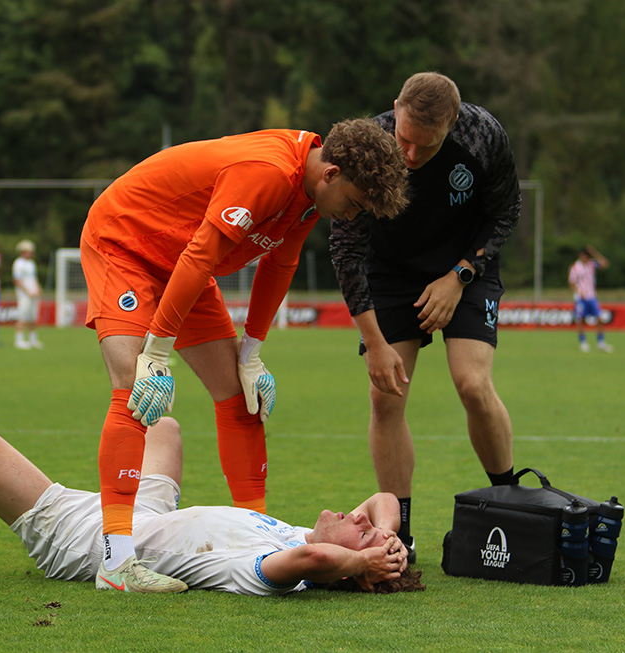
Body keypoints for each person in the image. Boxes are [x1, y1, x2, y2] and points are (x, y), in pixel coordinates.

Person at [80, 118, 410, 591]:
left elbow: (280, 264)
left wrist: (251, 351)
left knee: (240, 395)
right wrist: (156, 350)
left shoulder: (309, 194)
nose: (353, 216)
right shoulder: (269, 172)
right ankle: (116, 564)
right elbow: (201, 255)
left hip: (182, 263)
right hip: (125, 245)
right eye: (355, 204)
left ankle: (257, 537)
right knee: (138, 387)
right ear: (331, 173)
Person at [0, 417, 421, 595]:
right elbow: (384, 499)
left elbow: (318, 564)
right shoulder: (305, 535)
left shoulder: (275, 570)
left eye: (363, 534)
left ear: (346, 564)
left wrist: (363, 566)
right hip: (143, 513)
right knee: (164, 425)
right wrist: (386, 543)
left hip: (86, 537)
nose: (361, 518)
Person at [329, 72, 521, 561]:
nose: (410, 155)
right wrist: (374, 343)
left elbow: (506, 211)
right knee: (386, 395)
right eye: (405, 138)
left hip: (466, 264)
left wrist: (460, 274)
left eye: (426, 145)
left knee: (472, 384)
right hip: (390, 273)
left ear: (452, 124)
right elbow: (346, 247)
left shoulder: (483, 135)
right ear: (395, 108)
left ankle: (509, 506)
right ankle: (403, 534)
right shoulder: (372, 147)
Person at [568, 245, 613, 352]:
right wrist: (578, 292)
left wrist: (595, 253)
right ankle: (583, 342)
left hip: (592, 296)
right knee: (580, 320)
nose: (586, 258)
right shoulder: (575, 267)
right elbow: (572, 282)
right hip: (581, 298)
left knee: (599, 318)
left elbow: (605, 264)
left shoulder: (591, 264)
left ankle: (601, 342)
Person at [12, 239, 44, 350]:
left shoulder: (31, 263)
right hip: (24, 295)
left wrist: (38, 289)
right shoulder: (18, 263)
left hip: (34, 294)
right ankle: (19, 340)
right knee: (22, 317)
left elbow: (34, 278)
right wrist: (28, 292)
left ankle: (33, 339)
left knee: (32, 317)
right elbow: (17, 280)